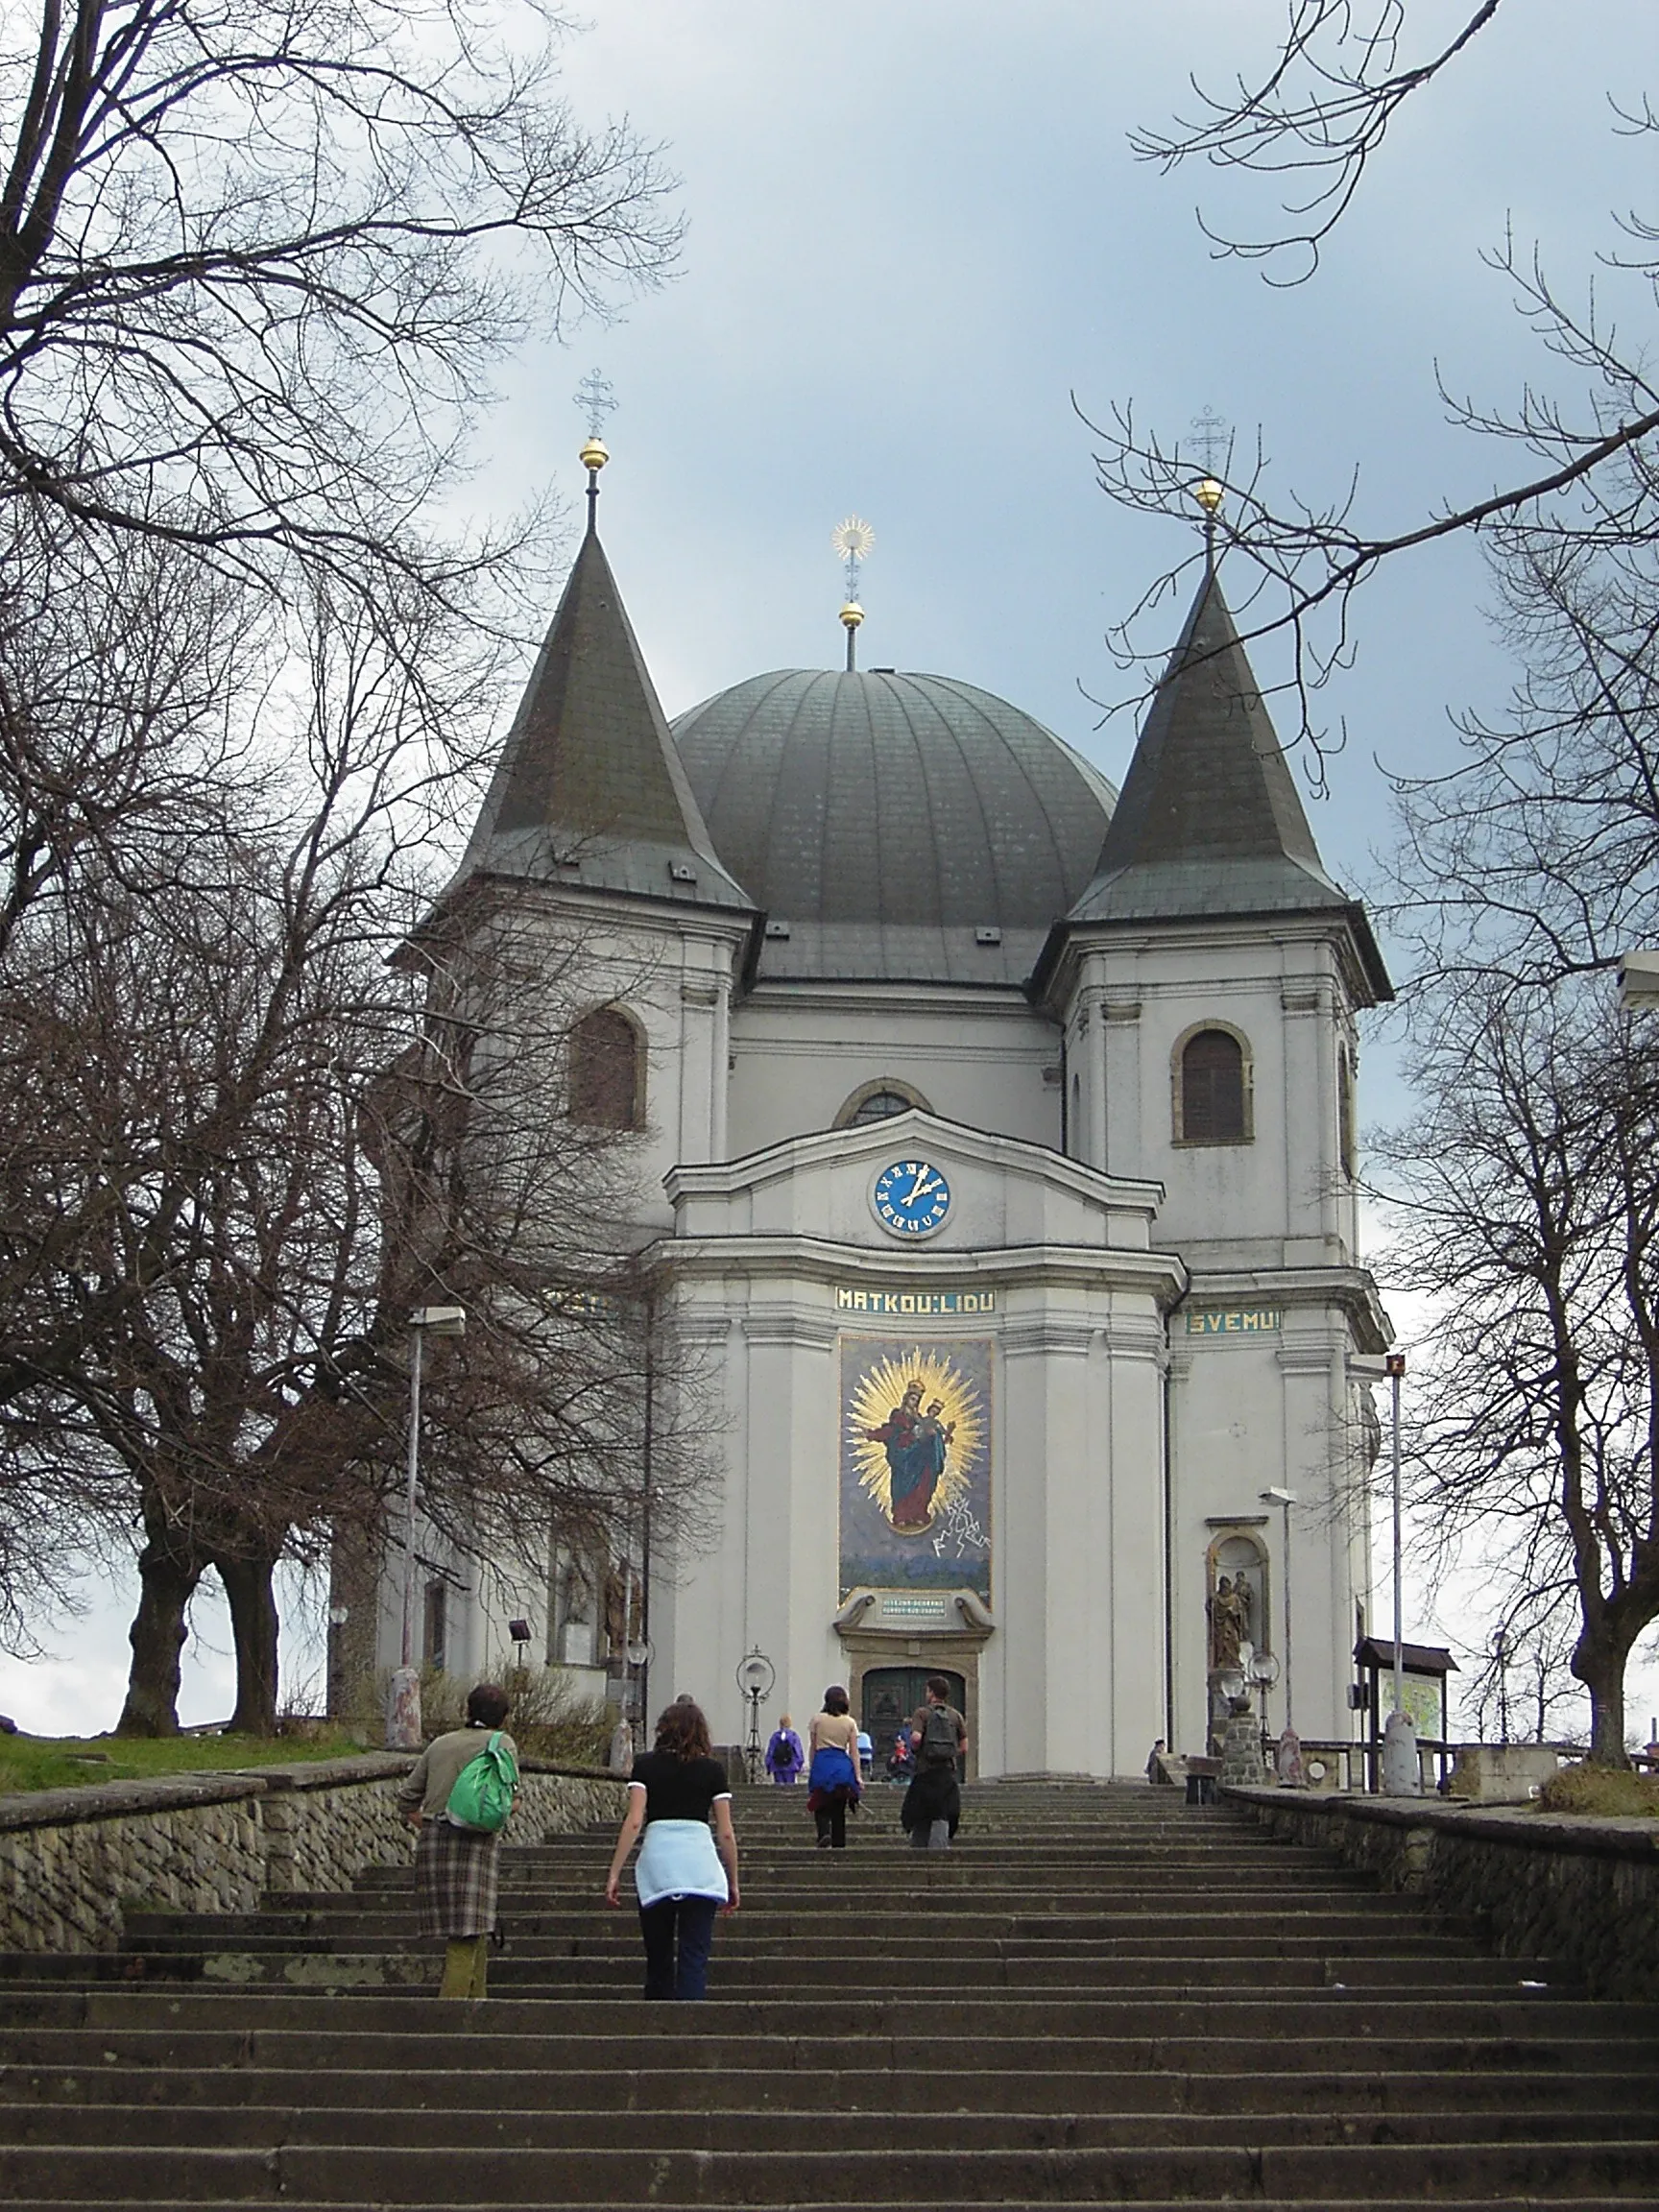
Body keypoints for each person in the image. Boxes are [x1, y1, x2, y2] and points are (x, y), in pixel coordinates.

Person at [604, 1697, 739, 2001]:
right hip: (701, 1867)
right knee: (694, 1959)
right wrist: (732, 1880)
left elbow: (635, 1821)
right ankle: (689, 2029)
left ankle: (656, 2026)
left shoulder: (645, 1766)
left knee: (658, 1959)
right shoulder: (712, 1771)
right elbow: (726, 1833)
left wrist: (615, 1873)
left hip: (657, 1865)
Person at [397, 1681, 518, 2001]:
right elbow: (510, 1798)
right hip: (476, 1845)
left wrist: (429, 1824)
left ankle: (478, 2003)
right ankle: (450, 2017)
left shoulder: (440, 1744)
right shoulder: (501, 1743)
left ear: (468, 1710)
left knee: (473, 1930)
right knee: (466, 1935)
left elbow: (407, 1799)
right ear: (503, 1717)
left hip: (436, 1840)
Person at [902, 1673, 967, 1851]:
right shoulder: (956, 1716)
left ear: (931, 1692)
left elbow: (915, 1738)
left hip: (925, 1770)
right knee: (942, 1813)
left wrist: (917, 1750)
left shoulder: (922, 1713)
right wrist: (949, 1753)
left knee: (921, 1811)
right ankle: (939, 1850)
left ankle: (919, 1850)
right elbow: (964, 1746)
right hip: (946, 1772)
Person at [805, 1684, 862, 1848]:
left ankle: (824, 1833)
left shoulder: (817, 1720)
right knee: (839, 1808)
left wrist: (812, 1767)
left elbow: (813, 1746)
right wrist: (857, 1775)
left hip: (823, 1762)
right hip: (841, 1765)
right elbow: (853, 1751)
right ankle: (839, 1843)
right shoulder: (849, 1722)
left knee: (820, 1803)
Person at [766, 1714, 804, 1786]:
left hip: (777, 1766)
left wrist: (768, 1766)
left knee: (778, 1788)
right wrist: (799, 1765)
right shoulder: (794, 1736)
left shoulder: (775, 1736)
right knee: (789, 1789)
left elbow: (770, 1752)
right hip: (790, 1766)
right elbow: (798, 1752)